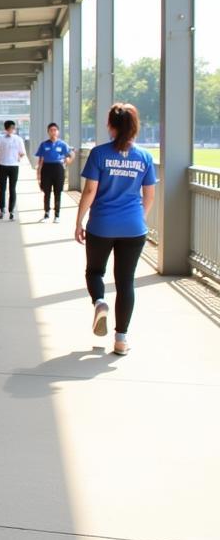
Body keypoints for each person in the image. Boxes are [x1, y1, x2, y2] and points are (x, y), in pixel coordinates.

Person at [75, 103, 156, 355]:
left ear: (110, 125)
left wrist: (78, 221)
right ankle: (121, 340)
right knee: (125, 282)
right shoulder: (144, 157)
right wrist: (138, 219)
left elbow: (90, 191)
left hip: (102, 225)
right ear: (134, 126)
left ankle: (99, 302)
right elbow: (149, 194)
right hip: (133, 227)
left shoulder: (99, 154)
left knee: (95, 272)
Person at [35, 122, 74, 223]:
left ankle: (57, 215)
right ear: (48, 132)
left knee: (58, 192)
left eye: (55, 130)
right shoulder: (44, 144)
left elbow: (71, 154)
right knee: (46, 192)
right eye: (51, 130)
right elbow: (40, 160)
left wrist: (68, 161)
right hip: (46, 169)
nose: (53, 132)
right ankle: (46, 213)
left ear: (58, 132)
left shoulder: (62, 144)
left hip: (58, 168)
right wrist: (38, 174)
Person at [0, 120, 26, 220]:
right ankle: (2, 209)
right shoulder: (0, 138)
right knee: (2, 188)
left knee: (12, 188)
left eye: (13, 128)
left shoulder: (18, 139)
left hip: (14, 166)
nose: (12, 130)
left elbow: (22, 152)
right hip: (2, 165)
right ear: (6, 128)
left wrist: (19, 157)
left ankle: (11, 210)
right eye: (10, 128)